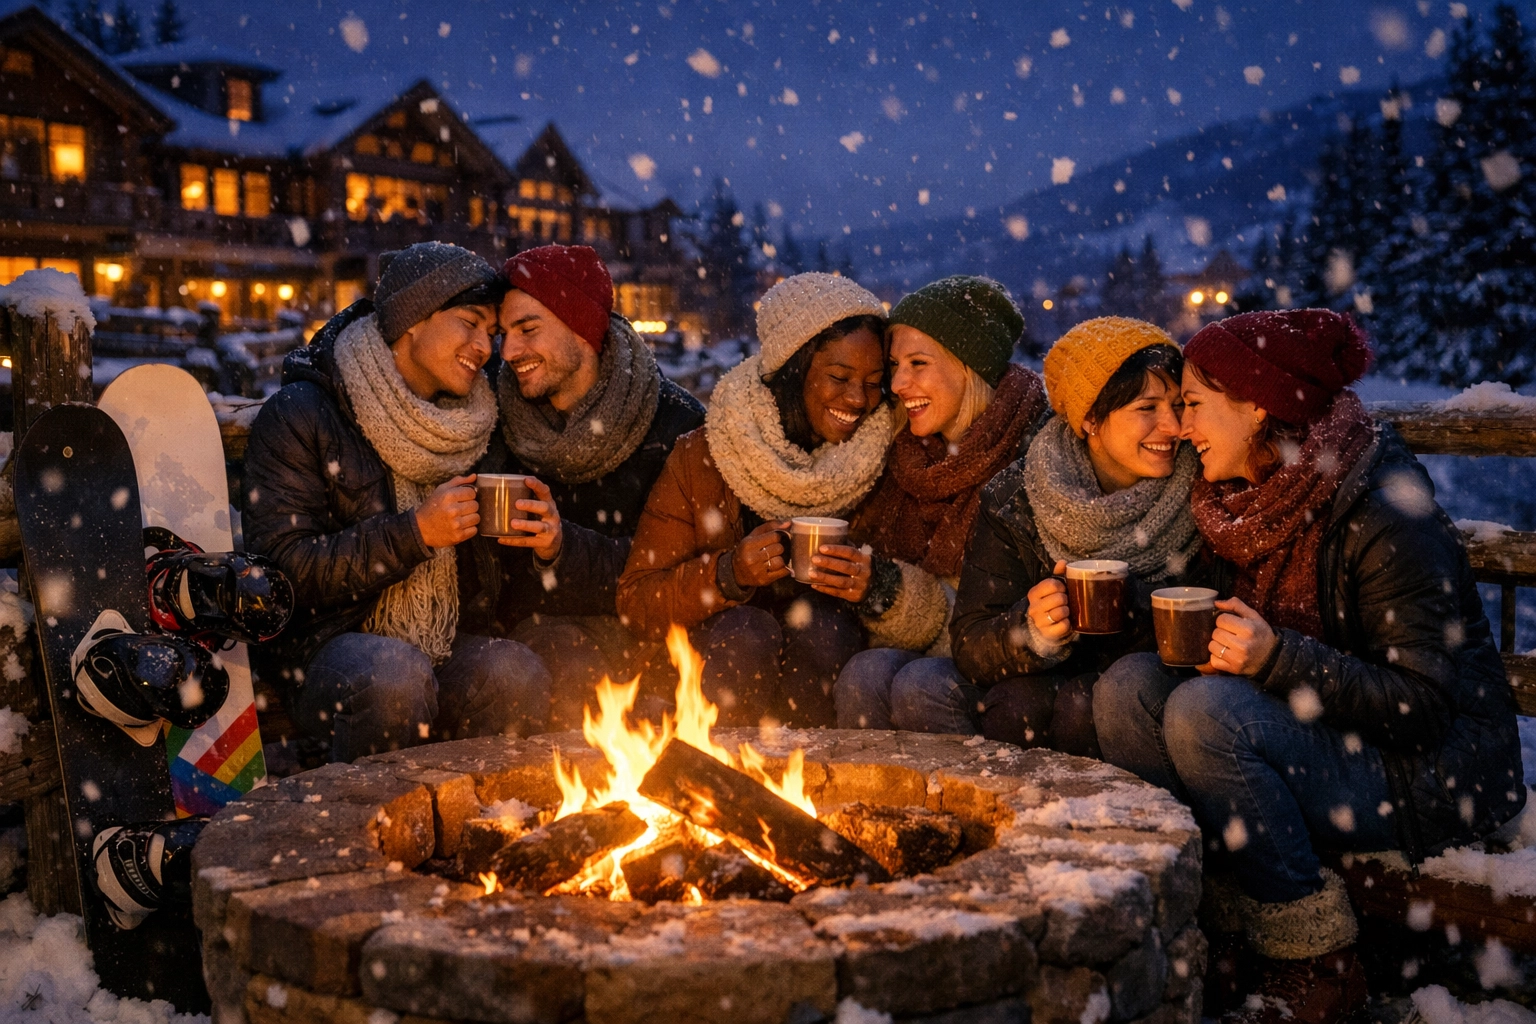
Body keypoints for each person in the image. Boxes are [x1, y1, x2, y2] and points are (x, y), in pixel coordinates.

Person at [1093, 310, 1526, 1024]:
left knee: (1207, 716)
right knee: (1129, 693)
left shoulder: (1380, 508)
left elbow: (1422, 707)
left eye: (1194, 405)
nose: (1182, 427)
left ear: (1258, 404)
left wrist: (1278, 660)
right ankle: (1223, 926)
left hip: (1433, 771)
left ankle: (1315, 961)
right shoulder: (1243, 500)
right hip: (1325, 731)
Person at [244, 242, 552, 762]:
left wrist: (539, 540)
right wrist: (414, 535)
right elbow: (280, 571)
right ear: (412, 320)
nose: (485, 347)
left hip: (443, 642)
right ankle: (365, 829)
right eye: (470, 324)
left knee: (515, 671)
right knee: (393, 677)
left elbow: (489, 583)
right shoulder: (304, 413)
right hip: (323, 650)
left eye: (492, 335)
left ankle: (483, 824)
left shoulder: (474, 423)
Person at [617, 272, 895, 727]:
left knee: (825, 629)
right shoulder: (706, 454)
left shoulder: (879, 454)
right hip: (705, 680)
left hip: (817, 679)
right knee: (746, 630)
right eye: (839, 376)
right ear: (794, 369)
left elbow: (909, 591)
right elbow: (637, 599)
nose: (858, 399)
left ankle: (815, 780)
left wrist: (868, 583)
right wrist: (728, 573)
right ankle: (717, 778)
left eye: (872, 382)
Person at [462, 244, 705, 728]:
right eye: (503, 334)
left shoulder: (674, 424)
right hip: (543, 628)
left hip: (657, 625)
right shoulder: (486, 414)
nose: (508, 352)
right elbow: (499, 583)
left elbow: (681, 563)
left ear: (583, 328)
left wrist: (564, 548)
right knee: (571, 671)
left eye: (528, 330)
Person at [940, 317, 1202, 751]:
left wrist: (1132, 603)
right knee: (1014, 703)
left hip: (1153, 693)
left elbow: (1212, 619)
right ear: (1091, 421)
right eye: (1147, 408)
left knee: (1086, 703)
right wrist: (1033, 628)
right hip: (1048, 684)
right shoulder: (1019, 496)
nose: (1174, 428)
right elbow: (971, 642)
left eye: (1178, 406)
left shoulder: (1204, 483)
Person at [834, 276, 1048, 733]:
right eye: (894, 365)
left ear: (969, 367)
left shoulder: (1033, 452)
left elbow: (1000, 615)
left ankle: (964, 800)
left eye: (917, 363)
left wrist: (891, 592)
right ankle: (870, 799)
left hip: (1013, 658)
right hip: (938, 640)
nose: (898, 383)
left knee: (922, 683)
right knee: (863, 674)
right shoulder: (905, 455)